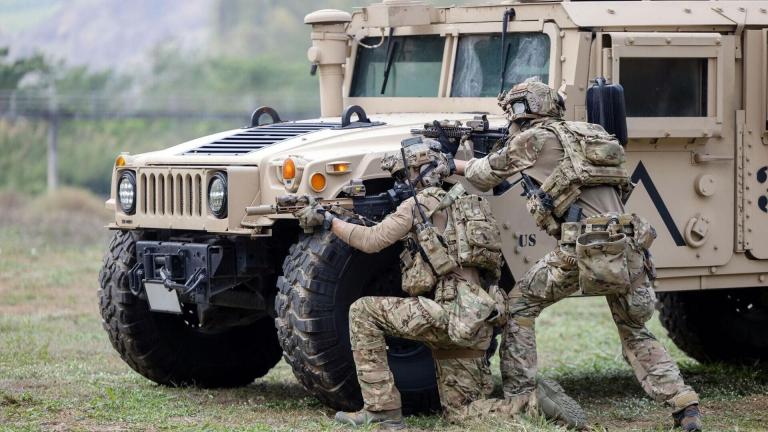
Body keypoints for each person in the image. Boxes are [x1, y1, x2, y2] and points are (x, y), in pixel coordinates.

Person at [451, 78, 702, 431]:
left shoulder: (533, 139)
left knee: (519, 307)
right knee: (634, 329)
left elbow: (481, 175)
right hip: (628, 244)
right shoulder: (594, 134)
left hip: (582, 249)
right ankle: (684, 403)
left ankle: (521, 398)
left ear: (522, 112)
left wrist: (449, 163)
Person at [295, 138, 587, 429]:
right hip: (477, 317)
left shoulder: (420, 204)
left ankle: (381, 410)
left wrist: (328, 220)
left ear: (419, 171)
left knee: (362, 312)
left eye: (404, 174)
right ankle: (533, 404)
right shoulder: (473, 205)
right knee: (463, 412)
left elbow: (371, 240)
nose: (401, 182)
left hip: (446, 314)